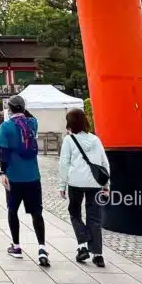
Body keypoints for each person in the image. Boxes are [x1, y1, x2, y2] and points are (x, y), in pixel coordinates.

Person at [0, 95, 48, 266]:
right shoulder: (32, 124)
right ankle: (41, 248)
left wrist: (3, 171)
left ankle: (17, 246)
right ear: (23, 108)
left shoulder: (6, 127)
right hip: (33, 176)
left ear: (10, 109)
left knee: (12, 211)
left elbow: (3, 151)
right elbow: (30, 116)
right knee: (37, 213)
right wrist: (21, 108)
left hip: (14, 176)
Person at [59, 107, 111, 267]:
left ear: (70, 123)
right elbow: (104, 162)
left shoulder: (69, 140)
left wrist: (62, 184)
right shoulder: (95, 139)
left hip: (75, 182)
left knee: (74, 212)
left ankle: (82, 244)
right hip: (95, 183)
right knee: (94, 217)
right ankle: (98, 255)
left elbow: (64, 163)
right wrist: (106, 185)